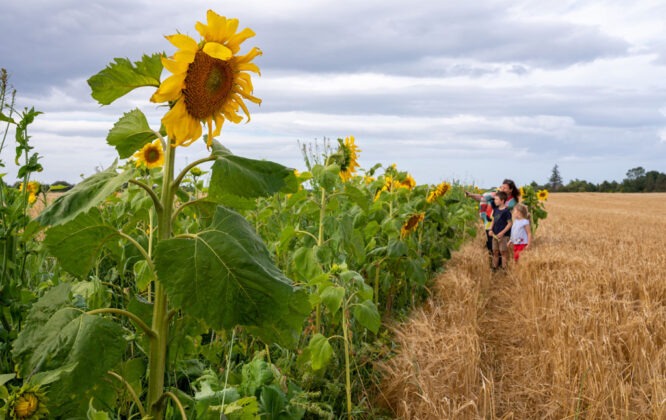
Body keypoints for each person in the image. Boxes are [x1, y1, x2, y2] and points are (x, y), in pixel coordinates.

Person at [488, 191, 512, 270]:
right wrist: (490, 229)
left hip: (503, 236)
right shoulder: (495, 210)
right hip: (495, 235)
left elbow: (509, 224)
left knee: (503, 252)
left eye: (497, 199)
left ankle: (504, 269)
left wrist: (502, 233)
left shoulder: (507, 212)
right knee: (495, 251)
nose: (495, 201)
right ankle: (494, 268)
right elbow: (493, 221)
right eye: (494, 199)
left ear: (502, 201)